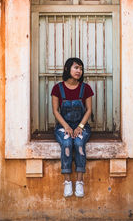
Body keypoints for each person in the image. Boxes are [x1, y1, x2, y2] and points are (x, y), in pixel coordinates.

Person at [51, 57, 94, 197]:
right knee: (67, 143)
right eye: (76, 67)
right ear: (67, 69)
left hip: (82, 126)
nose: (79, 71)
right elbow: (55, 111)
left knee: (79, 143)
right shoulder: (57, 88)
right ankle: (68, 182)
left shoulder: (85, 88)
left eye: (81, 68)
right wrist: (67, 127)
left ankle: (80, 182)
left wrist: (80, 126)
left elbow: (88, 110)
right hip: (63, 126)